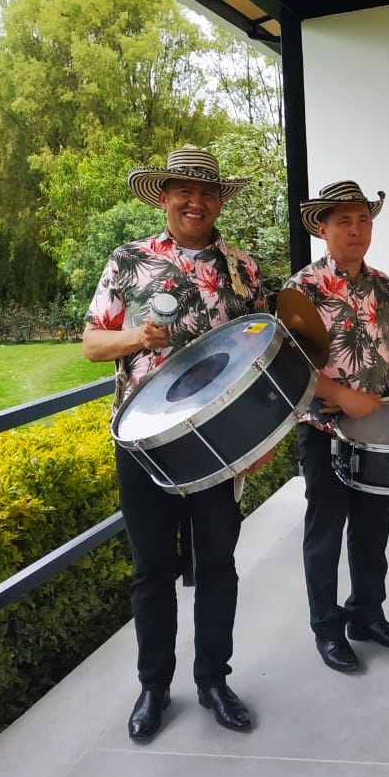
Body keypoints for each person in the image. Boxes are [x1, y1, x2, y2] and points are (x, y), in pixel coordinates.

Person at [83, 147, 268, 740]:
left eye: (208, 192)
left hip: (218, 443)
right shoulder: (129, 260)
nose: (196, 201)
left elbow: (264, 351)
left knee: (217, 563)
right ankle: (154, 687)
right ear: (163, 196)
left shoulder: (244, 268)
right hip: (144, 441)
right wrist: (138, 335)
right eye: (184, 191)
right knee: (152, 569)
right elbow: (91, 343)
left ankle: (213, 678)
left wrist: (261, 439)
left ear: (219, 200)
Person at [285, 181, 389, 674]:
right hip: (325, 430)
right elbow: (292, 364)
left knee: (372, 529)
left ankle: (368, 615)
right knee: (326, 532)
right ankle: (328, 629)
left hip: (378, 429)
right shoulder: (302, 289)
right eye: (345, 221)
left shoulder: (382, 284)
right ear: (323, 228)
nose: (356, 230)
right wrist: (342, 396)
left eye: (364, 220)